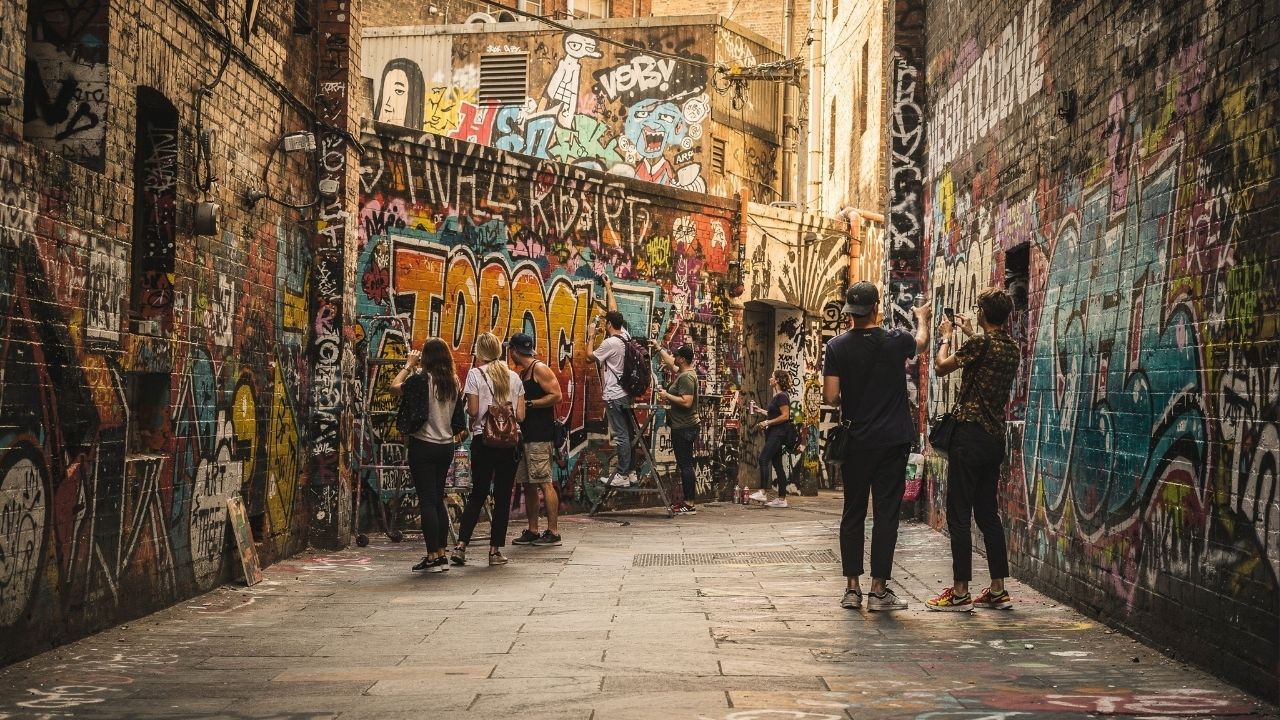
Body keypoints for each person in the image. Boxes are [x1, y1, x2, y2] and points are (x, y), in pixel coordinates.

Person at [823, 281, 930, 612]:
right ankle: (879, 590)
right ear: (875, 309)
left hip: (857, 442)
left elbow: (830, 397)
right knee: (886, 515)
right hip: (893, 441)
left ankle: (851, 589)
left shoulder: (837, 347)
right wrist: (922, 318)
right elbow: (922, 344)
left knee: (853, 512)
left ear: (850, 312)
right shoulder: (895, 341)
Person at [926, 288, 1020, 612]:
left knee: (958, 515)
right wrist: (969, 333)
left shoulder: (979, 345)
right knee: (987, 514)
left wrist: (946, 337)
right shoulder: (1012, 349)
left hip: (969, 437)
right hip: (994, 439)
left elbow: (940, 367)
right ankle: (997, 589)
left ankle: (961, 591)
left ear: (983, 313)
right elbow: (986, 359)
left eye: (978, 308)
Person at [391, 339, 467, 573]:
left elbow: (395, 387)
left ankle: (433, 555)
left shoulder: (420, 380)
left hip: (423, 445)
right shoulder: (453, 382)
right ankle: (441, 554)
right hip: (445, 446)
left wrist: (408, 364)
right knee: (438, 498)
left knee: (427, 500)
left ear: (427, 358)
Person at [452, 332, 526, 567]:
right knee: (503, 496)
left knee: (478, 493)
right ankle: (494, 552)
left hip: (483, 440)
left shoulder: (475, 374)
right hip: (510, 444)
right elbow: (521, 416)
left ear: (480, 352)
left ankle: (461, 546)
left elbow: (473, 412)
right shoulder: (515, 377)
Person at [508, 333, 565, 547]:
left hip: (540, 436)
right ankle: (533, 529)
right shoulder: (523, 373)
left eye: (510, 350)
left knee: (544, 482)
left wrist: (529, 404)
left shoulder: (539, 369)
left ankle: (553, 531)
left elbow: (556, 395)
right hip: (525, 436)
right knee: (528, 484)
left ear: (514, 350)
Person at [587, 276, 637, 487]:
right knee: (630, 432)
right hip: (625, 393)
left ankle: (623, 475)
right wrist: (608, 286)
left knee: (622, 435)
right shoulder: (624, 336)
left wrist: (590, 335)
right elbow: (613, 309)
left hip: (614, 396)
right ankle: (632, 471)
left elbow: (589, 357)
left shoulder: (610, 343)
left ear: (608, 325)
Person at [655, 344, 699, 514]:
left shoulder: (686, 377)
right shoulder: (685, 373)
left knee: (685, 465)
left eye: (677, 356)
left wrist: (667, 395)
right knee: (685, 464)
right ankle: (689, 502)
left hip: (684, 427)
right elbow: (671, 363)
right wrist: (659, 348)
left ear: (683, 359)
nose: (675, 357)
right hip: (684, 425)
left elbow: (687, 401)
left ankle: (689, 503)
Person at [751, 370, 793, 508]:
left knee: (763, 459)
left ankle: (763, 492)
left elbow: (785, 416)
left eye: (773, 377)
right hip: (776, 433)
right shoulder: (779, 396)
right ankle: (781, 499)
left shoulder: (782, 396)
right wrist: (760, 411)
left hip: (777, 434)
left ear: (777, 381)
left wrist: (766, 423)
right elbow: (774, 413)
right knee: (778, 466)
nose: (770, 378)